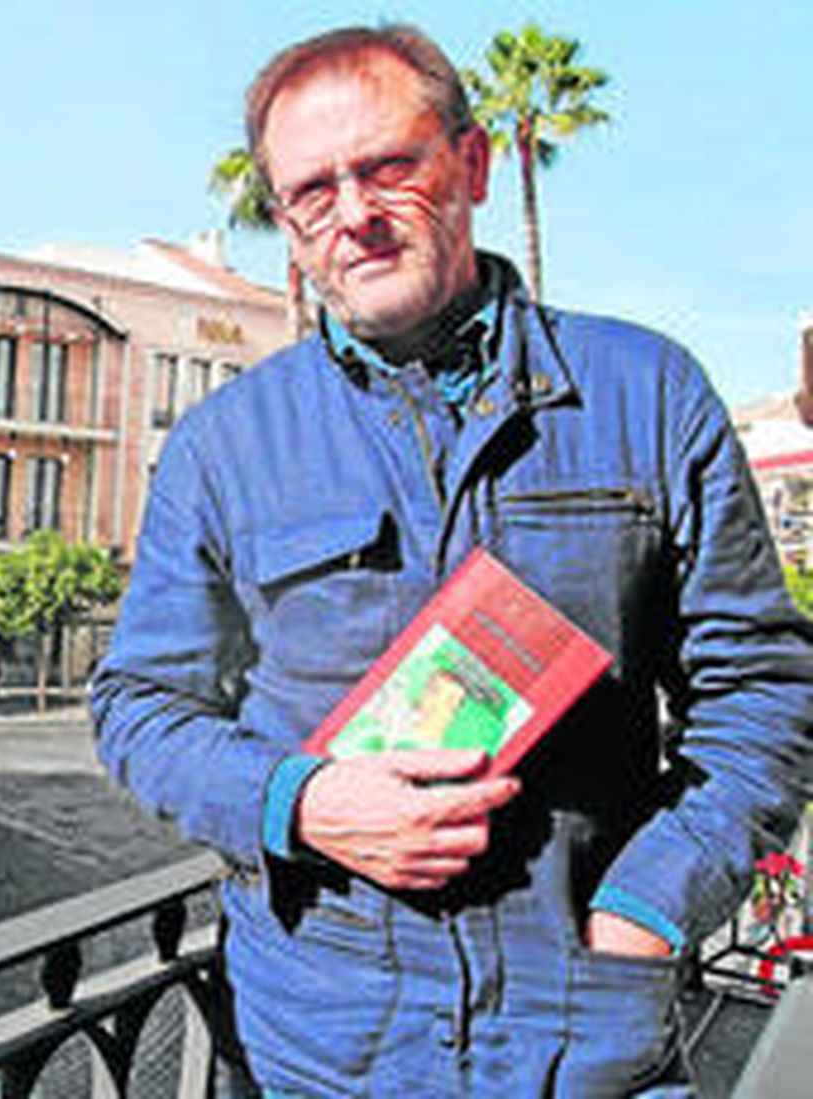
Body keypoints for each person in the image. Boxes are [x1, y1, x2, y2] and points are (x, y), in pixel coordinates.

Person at [91, 24, 813, 1096]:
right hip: (323, 1047)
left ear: (471, 165)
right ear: (286, 226)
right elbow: (140, 705)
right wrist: (299, 801)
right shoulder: (225, 444)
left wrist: (650, 902)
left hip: (588, 1042)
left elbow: (763, 690)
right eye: (312, 191)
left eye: (389, 166)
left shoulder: (646, 393)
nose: (355, 214)